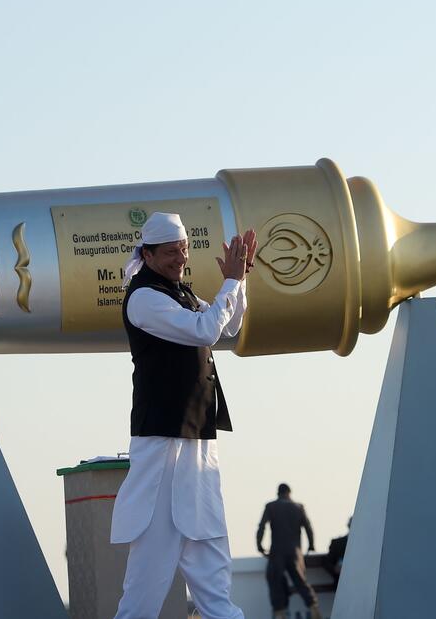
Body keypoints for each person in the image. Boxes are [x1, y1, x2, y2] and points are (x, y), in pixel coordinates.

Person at [110, 212, 256, 619]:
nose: (181, 258)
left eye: (185, 249)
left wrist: (239, 279)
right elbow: (206, 330)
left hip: (195, 440)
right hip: (162, 443)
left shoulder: (180, 293)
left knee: (210, 554)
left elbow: (230, 326)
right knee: (146, 580)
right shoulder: (144, 298)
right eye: (172, 251)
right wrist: (229, 283)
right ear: (149, 254)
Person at [256, 484, 321, 619]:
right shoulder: (298, 507)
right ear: (289, 493)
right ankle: (314, 609)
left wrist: (260, 546)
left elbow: (262, 527)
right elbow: (308, 528)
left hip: (277, 552)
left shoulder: (271, 506)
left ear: (278, 493)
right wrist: (311, 545)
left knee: (275, 582)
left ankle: (280, 614)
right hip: (295, 553)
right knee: (301, 582)